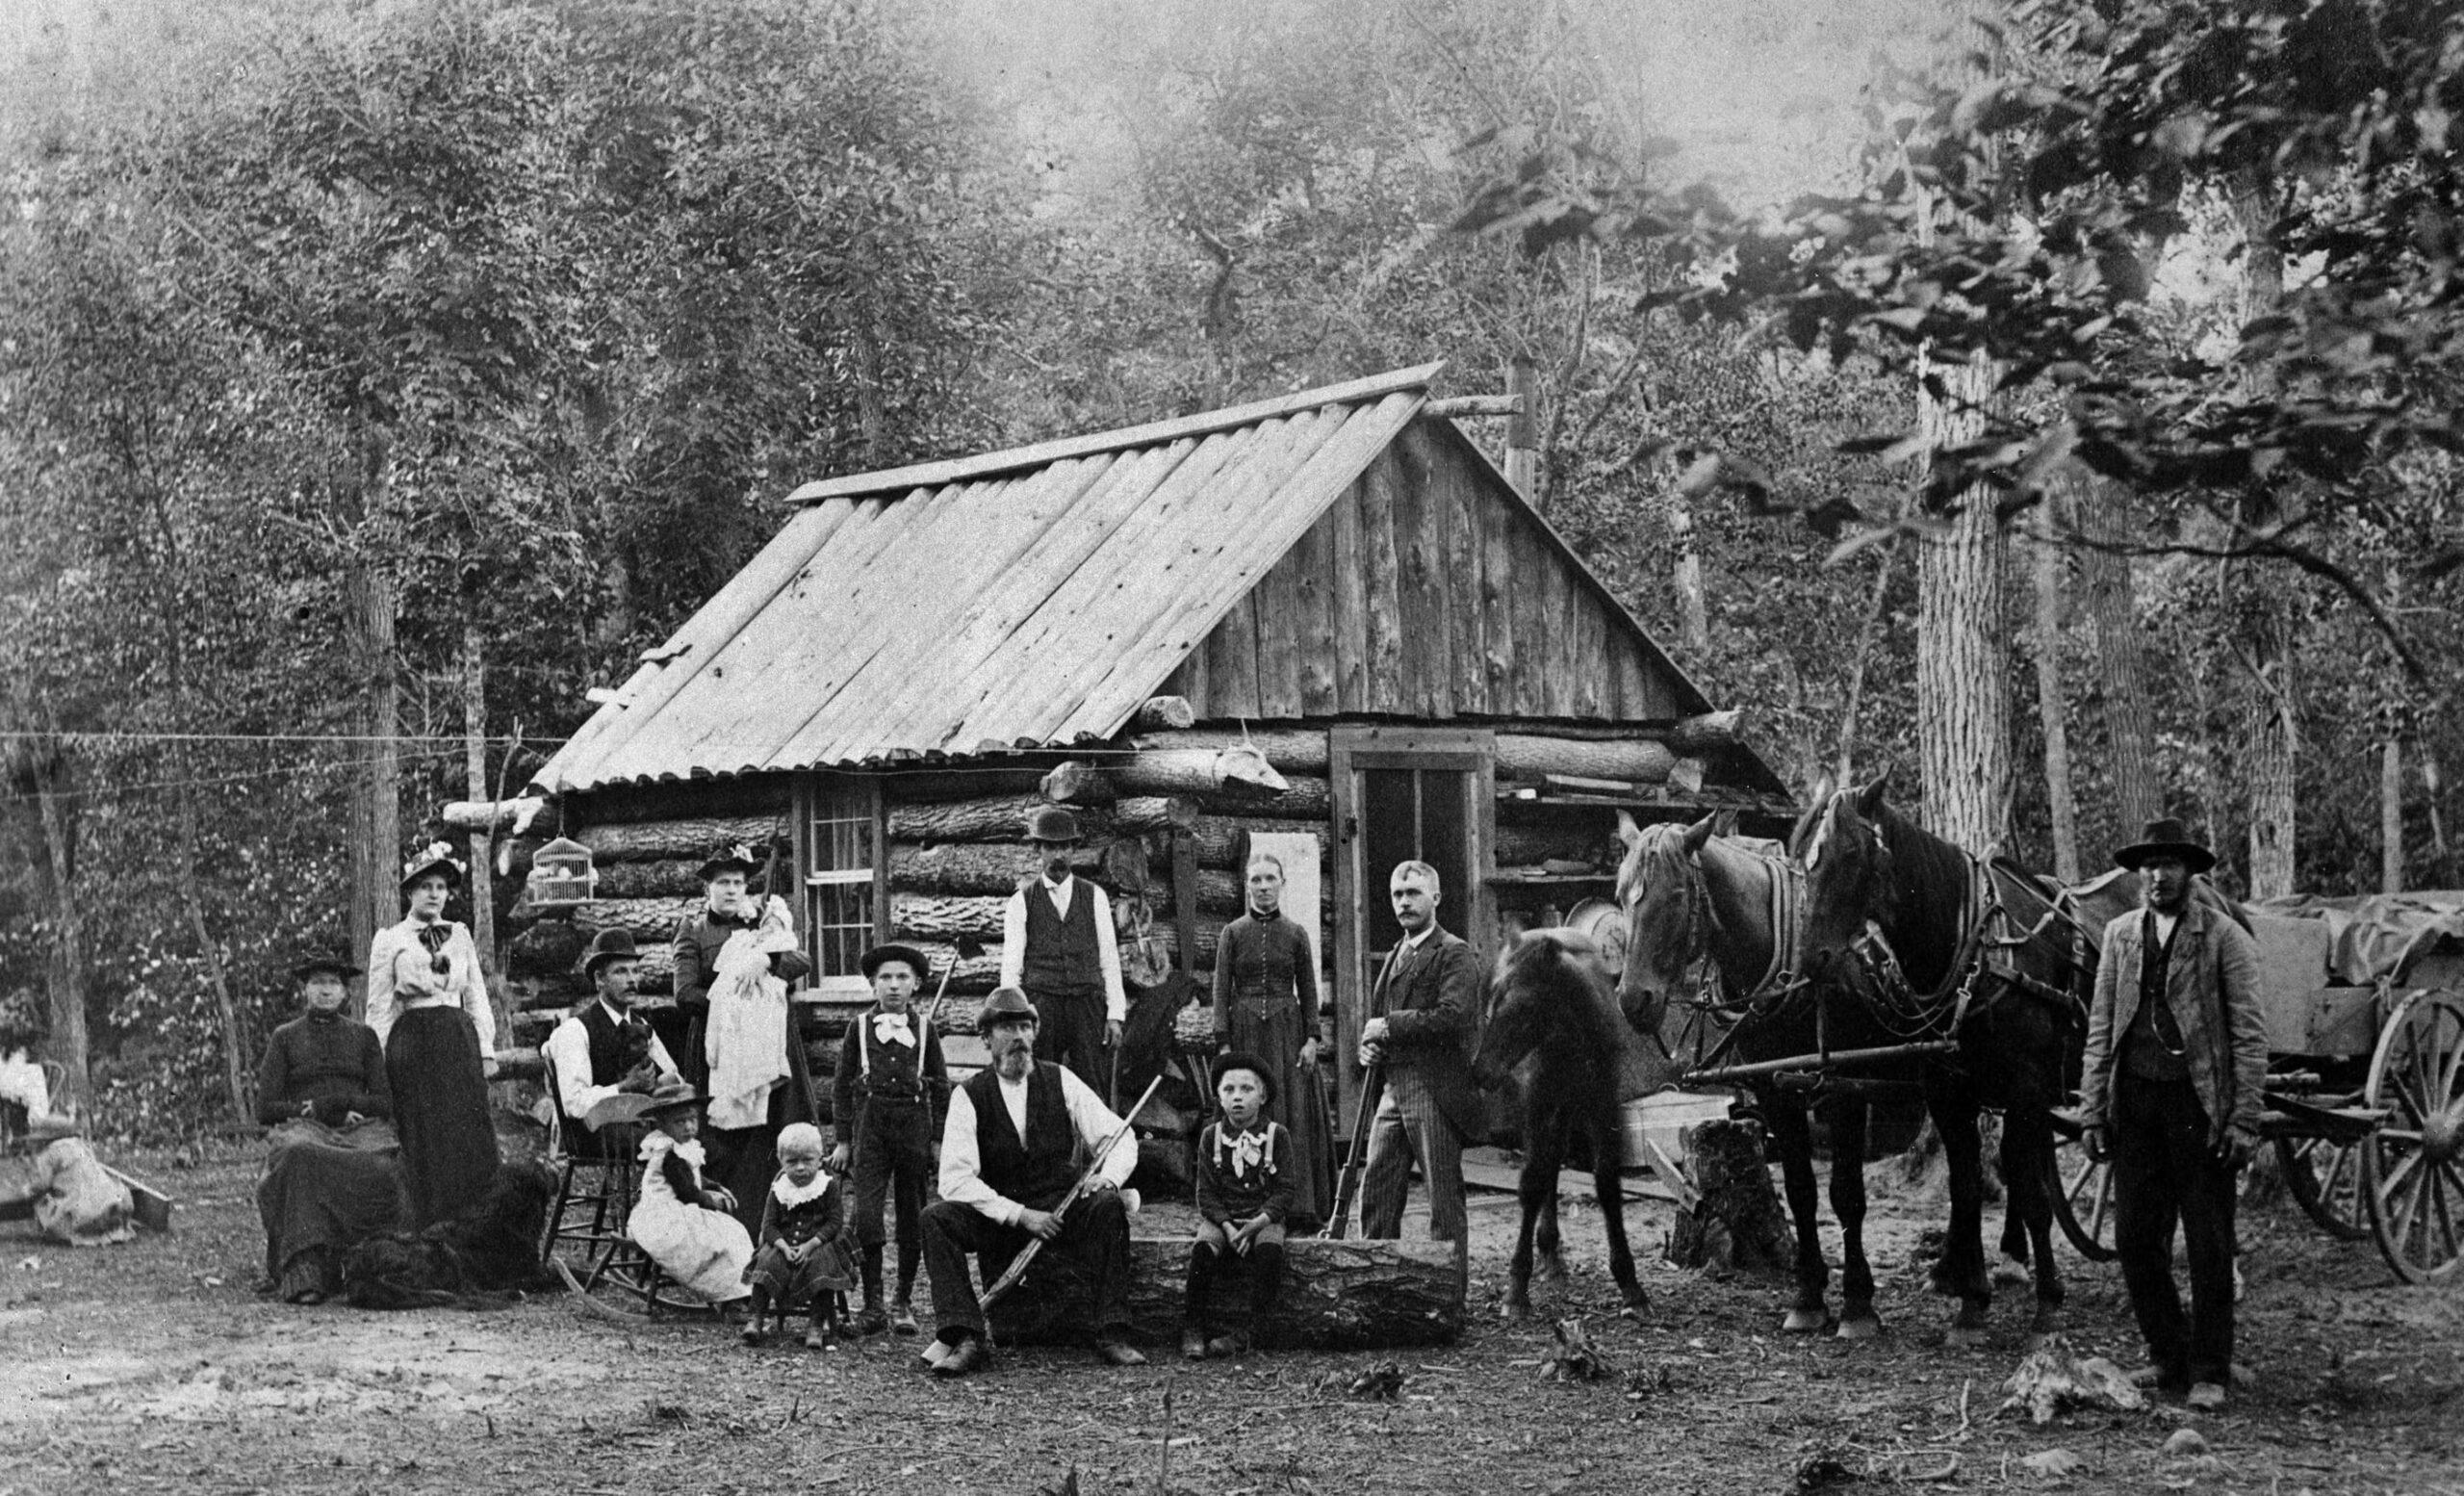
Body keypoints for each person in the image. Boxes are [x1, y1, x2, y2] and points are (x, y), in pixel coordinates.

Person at [2080, 817, 2267, 1413]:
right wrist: (2092, 1111)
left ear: (2190, 872)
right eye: (2150, 866)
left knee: (2209, 1240)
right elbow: (2101, 1027)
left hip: (2199, 1105)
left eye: (2171, 865)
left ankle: (2209, 1368)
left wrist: (2242, 1122)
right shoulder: (2119, 935)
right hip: (2135, 1105)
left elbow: (2249, 1035)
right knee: (2135, 1238)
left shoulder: (2222, 938)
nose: (2159, 876)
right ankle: (2168, 1355)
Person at [919, 987, 1142, 1378]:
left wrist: (1107, 1178)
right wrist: (1019, 1215)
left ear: (1035, 1034)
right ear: (986, 1038)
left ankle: (1112, 1332)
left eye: (1025, 1026)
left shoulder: (1062, 1080)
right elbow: (954, 1180)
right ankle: (967, 1337)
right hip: (1000, 1218)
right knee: (935, 1219)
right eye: (1006, 1028)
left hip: (1061, 1211)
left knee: (1108, 1205)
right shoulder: (968, 1096)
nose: (1018, 1036)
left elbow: (1120, 1135)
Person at [671, 841, 811, 1227]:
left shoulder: (763, 921)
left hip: (768, 1047)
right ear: (707, 889)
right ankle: (726, 1227)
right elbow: (684, 994)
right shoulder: (694, 931)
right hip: (719, 1049)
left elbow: (802, 960)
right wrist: (733, 1003)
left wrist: (766, 958)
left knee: (769, 1135)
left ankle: (771, 1225)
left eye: (738, 882)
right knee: (723, 1141)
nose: (732, 890)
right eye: (722, 882)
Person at [254, 950, 407, 1303]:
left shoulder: (364, 1037)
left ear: (345, 994)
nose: (325, 991)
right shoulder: (285, 1037)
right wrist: (310, 1109)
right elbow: (265, 1109)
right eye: (317, 983)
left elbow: (384, 1101)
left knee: (384, 1165)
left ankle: (369, 1264)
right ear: (305, 991)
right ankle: (306, 1271)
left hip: (357, 1128)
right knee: (298, 1155)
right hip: (306, 1127)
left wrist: (347, 1104)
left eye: (333, 983)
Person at [366, 843, 500, 1229]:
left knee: (467, 1129)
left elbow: (475, 992)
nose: (434, 894)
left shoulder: (459, 935)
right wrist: (380, 1059)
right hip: (414, 1042)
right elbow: (380, 1006)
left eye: (441, 887)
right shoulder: (390, 939)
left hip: (458, 1040)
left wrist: (486, 1049)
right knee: (424, 1130)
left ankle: (474, 1225)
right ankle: (429, 1224)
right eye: (426, 886)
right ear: (410, 892)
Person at [1356, 861, 1483, 1244]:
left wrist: (1390, 1026)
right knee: (1376, 1191)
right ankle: (1379, 1287)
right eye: (1397, 894)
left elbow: (1455, 1016)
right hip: (1392, 1088)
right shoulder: (1398, 951)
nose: (1404, 902)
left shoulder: (1453, 952)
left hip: (1434, 1090)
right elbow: (1381, 1019)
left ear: (1436, 897)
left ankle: (1449, 1296)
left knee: (1443, 1201)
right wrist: (1372, 1048)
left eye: (1413, 893)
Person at [831, 942, 948, 1337]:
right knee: (866, 1215)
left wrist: (936, 1140)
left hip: (913, 1125)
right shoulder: (858, 1028)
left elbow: (942, 1087)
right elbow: (841, 1087)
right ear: (872, 984)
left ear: (915, 984)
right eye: (885, 978)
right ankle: (872, 1304)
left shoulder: (926, 1029)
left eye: (902, 978)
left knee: (913, 1213)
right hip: (871, 1126)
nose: (893, 986)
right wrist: (843, 1140)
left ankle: (902, 1302)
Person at [1212, 853, 1332, 1227]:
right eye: (1256, 880)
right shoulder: (1232, 933)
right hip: (1245, 1027)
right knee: (1243, 1103)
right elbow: (1220, 990)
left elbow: (1309, 990)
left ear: (1282, 884)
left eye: (1270, 879)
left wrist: (1312, 1038)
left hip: (1286, 1030)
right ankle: (1242, 1200)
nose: (1263, 887)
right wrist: (1224, 1043)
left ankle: (1295, 1205)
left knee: (1289, 1110)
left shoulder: (1296, 934)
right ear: (1246, 885)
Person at [1000, 807, 1126, 1093]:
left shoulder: (1094, 896)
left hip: (1087, 1006)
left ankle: (1091, 1139)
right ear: (1038, 850)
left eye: (1064, 847)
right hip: (1042, 1006)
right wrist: (1016, 1017)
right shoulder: (1021, 901)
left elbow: (1109, 958)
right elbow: (1011, 968)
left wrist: (1115, 1014)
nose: (1058, 856)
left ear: (1074, 850)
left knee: (1092, 1085)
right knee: (1040, 1084)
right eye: (1050, 847)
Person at [1181, 1053, 1296, 1360]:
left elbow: (1285, 1190)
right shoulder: (1211, 1137)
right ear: (1218, 1095)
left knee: (1270, 1252)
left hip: (1263, 1218)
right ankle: (1194, 1327)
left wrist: (1257, 1224)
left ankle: (1252, 1331)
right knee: (1203, 1252)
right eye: (1228, 1090)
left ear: (1263, 1095)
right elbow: (1206, 1193)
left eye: (1246, 1089)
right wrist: (1229, 1228)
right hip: (1223, 1219)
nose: (1237, 1098)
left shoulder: (1277, 1136)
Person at [542, 929, 680, 1156]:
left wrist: (663, 1082)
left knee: (695, 1137)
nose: (632, 980)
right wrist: (623, 1087)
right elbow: (574, 1104)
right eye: (621, 972)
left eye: (635, 971)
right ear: (599, 979)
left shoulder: (641, 1025)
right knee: (670, 1145)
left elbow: (673, 1075)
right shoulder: (576, 1030)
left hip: (636, 1127)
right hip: (597, 1134)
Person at [628, 1083, 755, 1306]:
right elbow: (688, 1191)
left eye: (692, 1119)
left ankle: (739, 1289)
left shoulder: (685, 1147)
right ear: (663, 1125)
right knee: (716, 1238)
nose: (688, 1127)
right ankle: (729, 1292)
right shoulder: (668, 1153)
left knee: (733, 1233)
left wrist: (715, 1187)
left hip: (682, 1208)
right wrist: (711, 1200)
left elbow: (695, 1176)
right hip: (664, 1217)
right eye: (680, 1121)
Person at [743, 1122, 859, 1350]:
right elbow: (768, 1226)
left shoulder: (827, 1186)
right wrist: (784, 1247)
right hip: (784, 1243)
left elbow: (835, 1222)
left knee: (822, 1266)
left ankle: (816, 1323)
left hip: (818, 1243)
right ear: (780, 1161)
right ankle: (755, 1318)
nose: (800, 1168)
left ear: (820, 1158)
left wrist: (810, 1245)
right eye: (792, 1162)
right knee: (767, 1260)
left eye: (807, 1160)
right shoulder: (779, 1188)